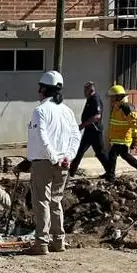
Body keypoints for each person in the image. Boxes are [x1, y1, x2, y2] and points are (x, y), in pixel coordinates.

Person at [26, 70, 80, 255]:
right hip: (63, 164)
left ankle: (41, 243)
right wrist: (68, 157)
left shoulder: (40, 111)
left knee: (41, 202)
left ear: (43, 89)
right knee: (55, 201)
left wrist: (53, 157)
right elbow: (75, 135)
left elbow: (42, 137)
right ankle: (58, 241)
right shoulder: (67, 111)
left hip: (44, 163)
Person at [105, 84, 137, 181]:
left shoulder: (127, 107)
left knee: (112, 155)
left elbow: (135, 124)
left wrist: (136, 138)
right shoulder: (117, 107)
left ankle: (110, 177)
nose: (112, 99)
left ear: (118, 96)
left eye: (113, 97)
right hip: (118, 137)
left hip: (123, 138)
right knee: (125, 156)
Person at [68, 81, 110, 177]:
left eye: (85, 90)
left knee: (101, 153)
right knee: (79, 151)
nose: (84, 92)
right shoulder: (90, 99)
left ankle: (110, 173)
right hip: (88, 131)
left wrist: (82, 125)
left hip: (95, 132)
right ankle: (71, 172)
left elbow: (97, 116)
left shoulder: (95, 99)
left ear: (90, 90)